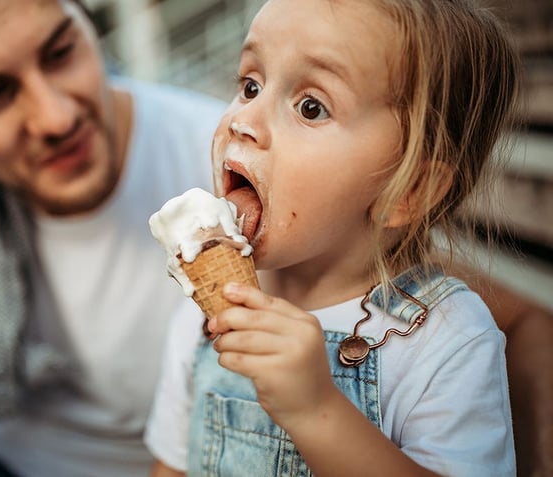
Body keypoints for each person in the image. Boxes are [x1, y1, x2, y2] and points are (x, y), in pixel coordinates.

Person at [0, 0, 549, 476]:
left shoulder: (416, 321)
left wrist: (320, 407)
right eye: (247, 83)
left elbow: (495, 320)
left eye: (61, 48)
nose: (56, 112)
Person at [144, 0, 520, 476]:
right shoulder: (200, 319)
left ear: (405, 190)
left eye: (311, 107)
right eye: (250, 85)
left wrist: (316, 410)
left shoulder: (445, 341)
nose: (243, 121)